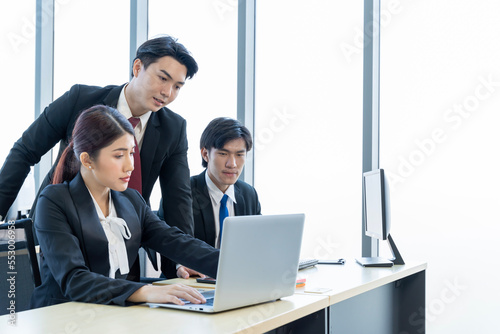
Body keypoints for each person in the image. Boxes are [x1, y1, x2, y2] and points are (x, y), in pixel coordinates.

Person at [0, 35, 196, 277]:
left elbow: (178, 197)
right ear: (137, 67)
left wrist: (181, 260)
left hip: (125, 238)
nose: (167, 92)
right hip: (62, 231)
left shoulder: (173, 128)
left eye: (177, 86)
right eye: (162, 78)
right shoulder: (80, 100)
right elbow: (25, 151)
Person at [30, 105, 219, 308]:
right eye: (119, 156)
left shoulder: (131, 200)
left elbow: (176, 241)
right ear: (87, 160)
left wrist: (234, 266)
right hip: (62, 317)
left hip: (113, 315)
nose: (130, 166)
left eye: (131, 153)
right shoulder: (54, 201)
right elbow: (75, 280)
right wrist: (145, 291)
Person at [159, 117, 260, 278]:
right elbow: (166, 244)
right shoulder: (181, 194)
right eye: (223, 154)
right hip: (191, 284)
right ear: (205, 154)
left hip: (236, 281)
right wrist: (179, 266)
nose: (232, 164)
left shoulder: (249, 195)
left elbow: (257, 244)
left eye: (239, 154)